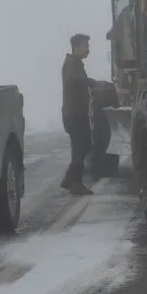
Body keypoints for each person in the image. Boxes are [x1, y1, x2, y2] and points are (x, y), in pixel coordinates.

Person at [61, 33, 97, 195]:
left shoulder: (76, 64)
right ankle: (75, 182)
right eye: (85, 46)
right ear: (76, 47)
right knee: (80, 146)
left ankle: (70, 179)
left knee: (85, 145)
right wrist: (88, 82)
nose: (88, 49)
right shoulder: (71, 64)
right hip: (73, 113)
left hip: (77, 113)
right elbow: (71, 80)